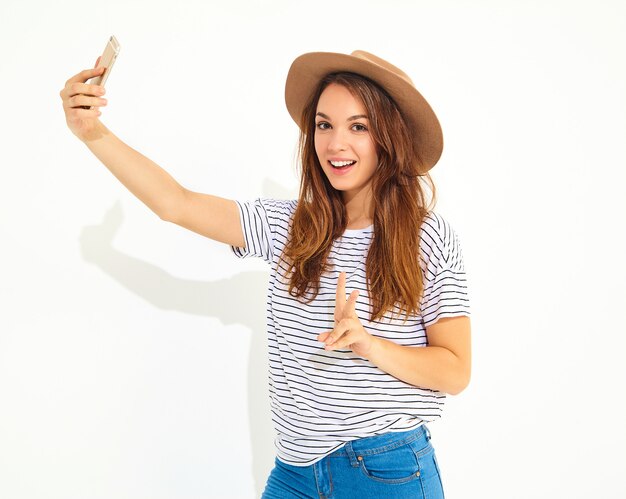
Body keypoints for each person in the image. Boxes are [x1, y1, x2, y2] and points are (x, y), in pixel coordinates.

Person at [60, 49, 471, 498]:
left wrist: (369, 344)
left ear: (390, 138)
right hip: (295, 472)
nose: (335, 143)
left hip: (384, 470)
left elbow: (454, 371)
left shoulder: (426, 237)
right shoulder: (292, 227)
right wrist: (92, 132)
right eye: (324, 124)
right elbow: (175, 203)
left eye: (359, 126)